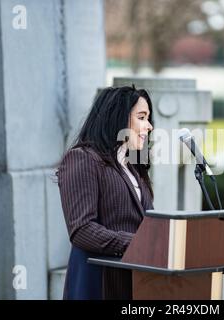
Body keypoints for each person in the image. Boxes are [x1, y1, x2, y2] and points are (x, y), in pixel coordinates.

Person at [56, 86, 154, 300]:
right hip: (98, 284)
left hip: (135, 284)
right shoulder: (83, 158)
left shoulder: (133, 166)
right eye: (141, 117)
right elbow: (82, 229)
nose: (149, 126)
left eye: (148, 118)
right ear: (117, 116)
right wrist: (138, 243)